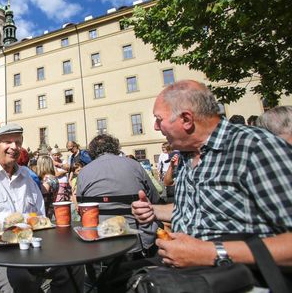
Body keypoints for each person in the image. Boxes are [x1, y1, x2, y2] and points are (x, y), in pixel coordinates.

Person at [133, 80, 292, 270]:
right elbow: (200, 209)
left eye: (159, 119)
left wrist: (211, 253)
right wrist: (154, 210)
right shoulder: (187, 153)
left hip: (237, 275)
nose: (156, 128)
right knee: (116, 278)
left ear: (186, 120)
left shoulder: (254, 147)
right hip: (186, 270)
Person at [0, 124, 84, 293]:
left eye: (18, 142)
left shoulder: (26, 177)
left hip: (31, 252)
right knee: (22, 279)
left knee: (74, 265)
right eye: (7, 142)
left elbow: (40, 219)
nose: (14, 147)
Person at [77, 133, 161, 254]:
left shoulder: (84, 172)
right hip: (136, 240)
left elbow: (82, 207)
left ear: (92, 151)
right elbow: (154, 198)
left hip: (99, 240)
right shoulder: (134, 165)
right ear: (115, 147)